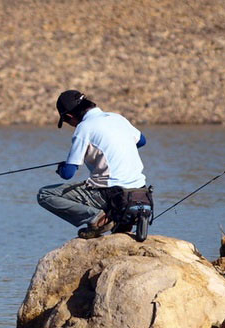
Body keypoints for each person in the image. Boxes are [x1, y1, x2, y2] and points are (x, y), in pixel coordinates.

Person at [38, 90, 148, 238]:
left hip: (111, 193)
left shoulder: (84, 128)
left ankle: (97, 218)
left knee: (45, 194)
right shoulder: (117, 118)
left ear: (70, 116)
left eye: (65, 121)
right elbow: (141, 141)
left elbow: (67, 174)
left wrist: (62, 168)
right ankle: (117, 221)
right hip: (140, 192)